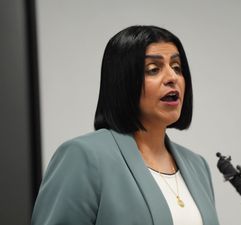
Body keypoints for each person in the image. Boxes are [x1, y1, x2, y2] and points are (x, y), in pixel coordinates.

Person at [31, 25, 220, 225]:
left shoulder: (197, 166)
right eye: (153, 70)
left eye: (177, 67)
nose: (172, 78)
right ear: (123, 81)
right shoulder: (84, 156)